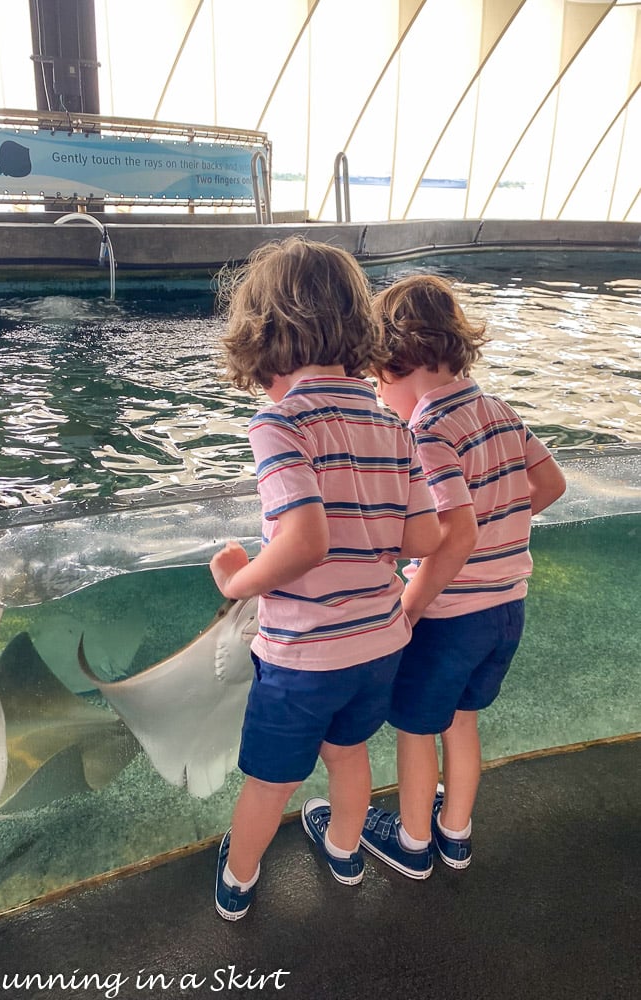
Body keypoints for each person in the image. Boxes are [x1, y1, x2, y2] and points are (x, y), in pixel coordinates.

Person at [208, 237, 442, 920]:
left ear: (264, 331)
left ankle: (239, 879)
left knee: (269, 781)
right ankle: (343, 850)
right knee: (347, 756)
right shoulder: (388, 422)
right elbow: (421, 537)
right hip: (378, 642)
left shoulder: (279, 423)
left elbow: (304, 541)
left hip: (304, 653)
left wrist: (239, 582)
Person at [360, 273, 567, 879]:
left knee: (416, 730)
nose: (378, 394)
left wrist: (411, 605)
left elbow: (455, 531)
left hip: (451, 616)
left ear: (400, 360)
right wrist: (505, 525)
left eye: (377, 380)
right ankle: (457, 834)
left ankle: (414, 841)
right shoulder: (499, 410)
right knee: (464, 723)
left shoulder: (427, 430)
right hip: (508, 608)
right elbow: (551, 484)